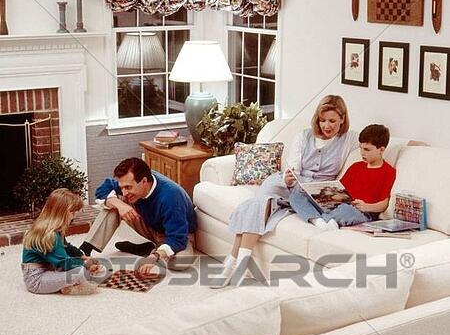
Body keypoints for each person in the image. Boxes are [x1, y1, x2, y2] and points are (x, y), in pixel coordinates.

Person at [211, 95, 359, 288]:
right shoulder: (304, 136)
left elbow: (379, 140)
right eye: (322, 120)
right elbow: (293, 167)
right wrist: (288, 177)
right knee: (260, 204)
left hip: (313, 193)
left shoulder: (349, 139)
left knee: (254, 206)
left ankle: (231, 265)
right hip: (287, 184)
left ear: (342, 118)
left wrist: (411, 144)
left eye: (332, 120)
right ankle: (236, 267)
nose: (327, 125)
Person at [79, 157, 197, 277]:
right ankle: (85, 249)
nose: (124, 192)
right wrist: (120, 205)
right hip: (149, 223)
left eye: (128, 187)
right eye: (122, 187)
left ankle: (150, 250)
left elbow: (178, 238)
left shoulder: (172, 196)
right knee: (113, 202)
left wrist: (154, 257)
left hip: (176, 234)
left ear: (144, 181)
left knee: (181, 261)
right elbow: (102, 189)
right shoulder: (129, 181)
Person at [289, 124, 396, 229]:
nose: (362, 153)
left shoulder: (388, 172)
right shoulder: (356, 167)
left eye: (367, 149)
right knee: (296, 195)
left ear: (381, 150)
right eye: (361, 148)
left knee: (347, 210)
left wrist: (366, 206)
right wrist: (326, 195)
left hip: (361, 212)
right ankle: (318, 220)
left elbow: (384, 203)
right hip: (337, 206)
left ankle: (320, 218)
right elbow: (340, 188)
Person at [22, 188, 102, 295]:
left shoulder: (54, 230)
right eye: (72, 212)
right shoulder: (49, 235)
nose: (74, 215)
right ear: (61, 213)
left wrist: (83, 257)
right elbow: (64, 263)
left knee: (78, 267)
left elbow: (66, 247)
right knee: (81, 272)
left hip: (50, 268)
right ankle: (69, 287)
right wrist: (86, 264)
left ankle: (66, 284)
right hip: (36, 280)